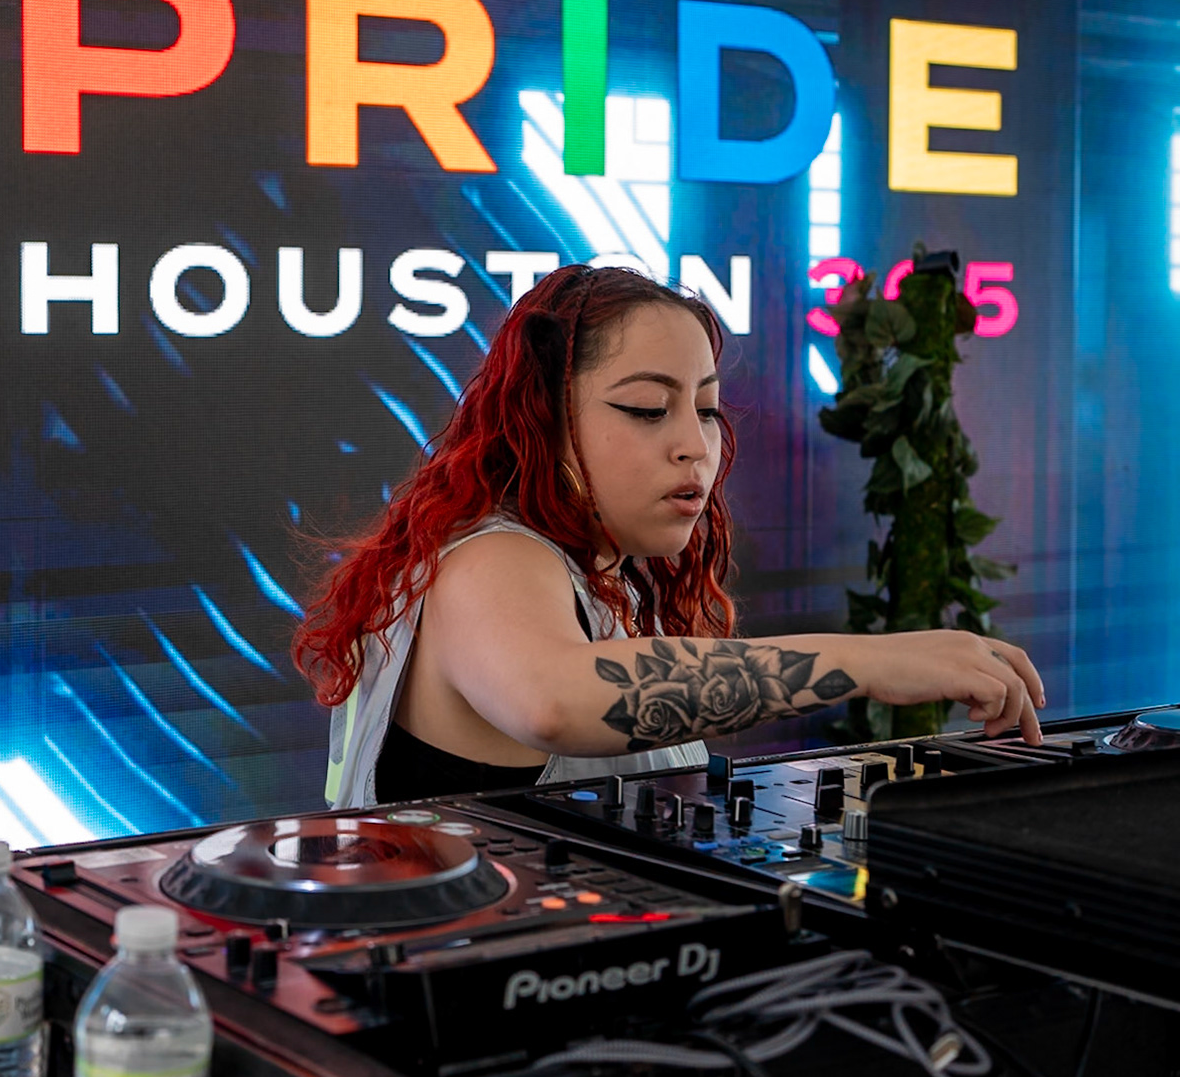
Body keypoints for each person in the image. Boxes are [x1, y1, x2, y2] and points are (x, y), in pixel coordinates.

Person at [294, 264, 1045, 808]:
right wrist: (869, 662)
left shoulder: (598, 578)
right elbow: (554, 699)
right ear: (544, 419)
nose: (694, 445)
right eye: (649, 409)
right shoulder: (494, 557)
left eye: (707, 410)